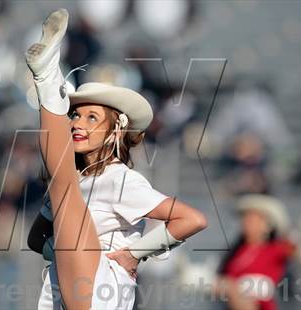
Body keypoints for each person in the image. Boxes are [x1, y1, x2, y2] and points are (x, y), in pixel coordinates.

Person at [25, 8, 208, 309]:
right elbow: (35, 241)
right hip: (63, 294)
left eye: (92, 117)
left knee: (63, 184)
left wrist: (133, 254)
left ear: (115, 131)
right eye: (75, 116)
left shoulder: (120, 179)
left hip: (102, 287)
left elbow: (192, 219)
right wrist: (56, 243)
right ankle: (48, 82)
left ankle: (47, 81)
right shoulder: (77, 183)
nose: (77, 124)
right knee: (64, 187)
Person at [213, 194, 296, 310]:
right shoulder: (236, 252)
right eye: (245, 218)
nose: (247, 222)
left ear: (268, 225)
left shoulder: (276, 248)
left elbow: (297, 249)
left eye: (253, 219)